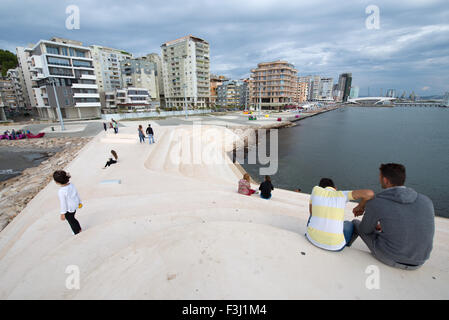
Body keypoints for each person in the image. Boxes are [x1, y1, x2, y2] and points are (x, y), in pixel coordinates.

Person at [347, 163, 435, 270]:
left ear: (385, 180)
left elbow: (365, 230)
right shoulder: (426, 200)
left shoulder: (377, 202)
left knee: (356, 223)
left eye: (380, 177)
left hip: (390, 257)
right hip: (419, 262)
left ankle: (346, 248)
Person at [306, 178, 374, 252]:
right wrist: (360, 207)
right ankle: (347, 244)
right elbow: (369, 193)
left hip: (311, 238)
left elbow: (311, 212)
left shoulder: (315, 190)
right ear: (335, 188)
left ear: (320, 187)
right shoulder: (342, 195)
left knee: (313, 214)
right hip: (335, 247)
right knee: (349, 224)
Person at [53, 170, 82, 235]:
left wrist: (62, 213)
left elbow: (63, 204)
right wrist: (80, 202)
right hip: (75, 205)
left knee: (71, 221)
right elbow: (76, 194)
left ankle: (76, 232)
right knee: (73, 218)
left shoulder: (61, 191)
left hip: (69, 209)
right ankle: (79, 229)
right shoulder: (71, 185)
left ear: (57, 182)